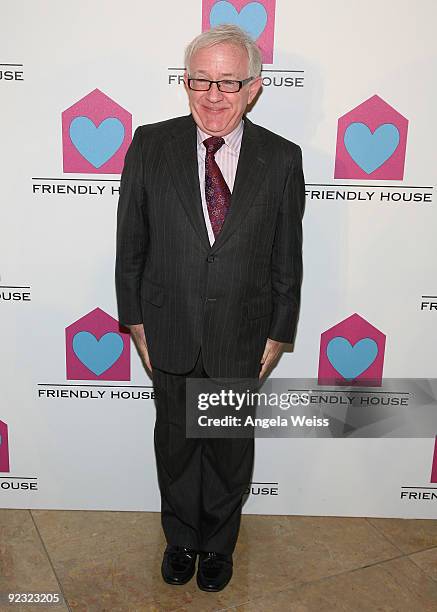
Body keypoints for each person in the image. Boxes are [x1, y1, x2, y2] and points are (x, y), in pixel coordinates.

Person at [115, 24, 305, 592]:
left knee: (226, 450)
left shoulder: (282, 157)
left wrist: (280, 329)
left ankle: (218, 546)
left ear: (254, 87)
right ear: (187, 82)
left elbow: (286, 255)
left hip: (241, 334)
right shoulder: (150, 144)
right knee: (174, 445)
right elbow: (131, 243)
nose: (214, 95)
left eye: (229, 82)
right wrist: (135, 320)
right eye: (202, 80)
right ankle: (182, 541)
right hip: (167, 328)